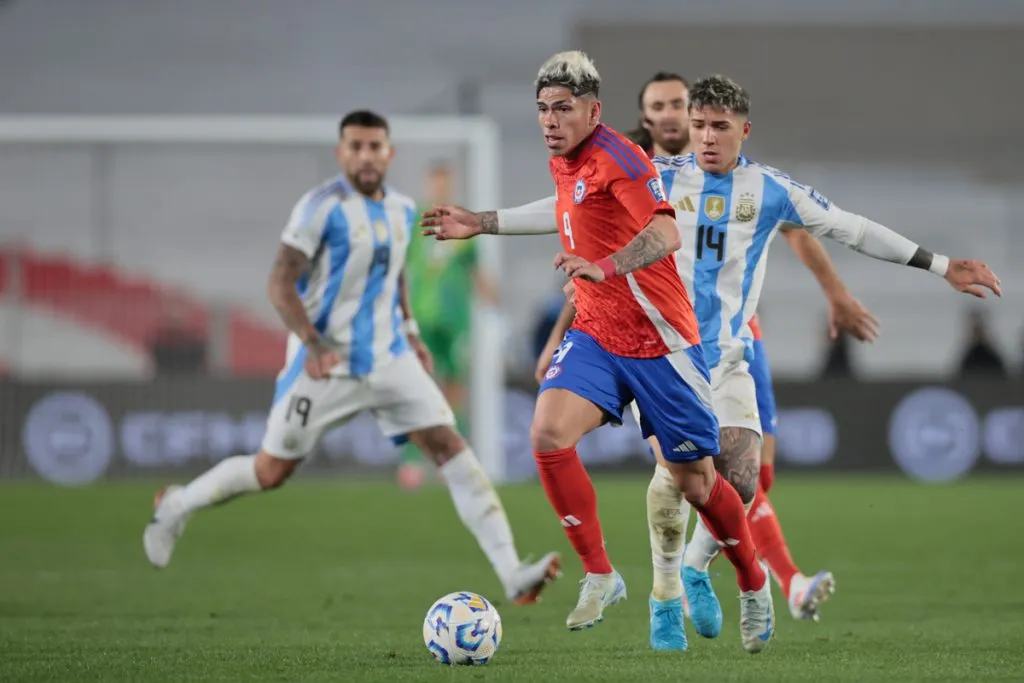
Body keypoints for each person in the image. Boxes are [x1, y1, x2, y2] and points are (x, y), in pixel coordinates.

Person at [422, 51, 775, 653]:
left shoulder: (623, 159)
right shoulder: (566, 160)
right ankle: (601, 573)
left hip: (662, 342)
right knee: (547, 434)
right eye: (542, 110)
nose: (549, 120)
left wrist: (604, 267)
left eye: (562, 109)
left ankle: (751, 578)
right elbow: (564, 213)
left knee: (697, 484)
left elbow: (665, 232)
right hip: (597, 335)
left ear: (594, 111)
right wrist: (481, 221)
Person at [142, 110, 561, 607]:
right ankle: (177, 504)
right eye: (356, 146)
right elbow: (279, 283)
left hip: (389, 358)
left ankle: (512, 572)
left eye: (375, 146)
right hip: (325, 364)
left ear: (390, 154)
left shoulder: (404, 211)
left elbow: (394, 277)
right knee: (270, 471)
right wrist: (314, 346)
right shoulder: (319, 209)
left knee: (453, 450)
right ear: (342, 153)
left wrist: (410, 332)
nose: (366, 155)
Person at [541, 70, 880, 651]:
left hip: (735, 340)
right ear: (647, 118)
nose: (676, 118)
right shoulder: (637, 171)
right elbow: (580, 238)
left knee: (750, 476)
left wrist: (836, 292)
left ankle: (704, 568)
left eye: (683, 107)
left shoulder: (752, 182)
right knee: (677, 473)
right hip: (662, 343)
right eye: (664, 109)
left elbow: (800, 228)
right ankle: (669, 594)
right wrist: (557, 326)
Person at [397, 162, 498, 488]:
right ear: (428, 187)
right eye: (435, 184)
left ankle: (453, 460)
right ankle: (412, 463)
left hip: (456, 321)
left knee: (455, 389)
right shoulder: (414, 224)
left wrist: (493, 299)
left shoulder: (463, 225)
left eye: (445, 184)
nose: (440, 190)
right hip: (421, 318)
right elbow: (400, 267)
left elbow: (475, 270)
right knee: (418, 389)